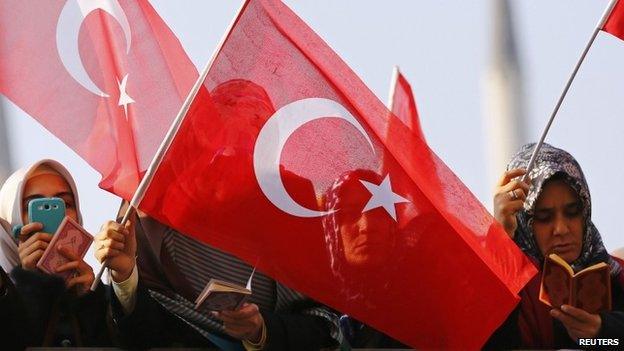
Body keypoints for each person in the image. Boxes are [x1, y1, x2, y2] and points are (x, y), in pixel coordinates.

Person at [95, 204, 342, 350]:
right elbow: (139, 336)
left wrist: (261, 330)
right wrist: (124, 273)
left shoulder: (280, 203)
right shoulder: (142, 214)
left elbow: (324, 326)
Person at [487, 143, 624, 349]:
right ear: (525, 223)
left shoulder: (617, 276)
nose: (560, 228)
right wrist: (499, 241)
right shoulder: (514, 287)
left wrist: (601, 332)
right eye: (544, 217)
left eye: (572, 212)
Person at [0, 159, 113, 347]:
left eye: (65, 203)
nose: (57, 216)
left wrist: (91, 299)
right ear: (10, 221)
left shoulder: (100, 294)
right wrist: (29, 281)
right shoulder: (3, 292)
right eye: (34, 205)